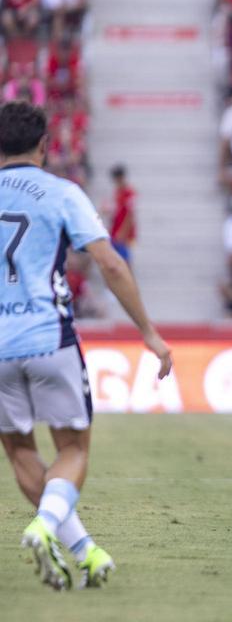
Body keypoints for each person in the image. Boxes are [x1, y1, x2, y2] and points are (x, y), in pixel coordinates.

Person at [0, 101, 172, 590]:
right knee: (73, 448)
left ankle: (85, 552)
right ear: (45, 146)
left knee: (19, 451)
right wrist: (148, 332)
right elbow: (110, 264)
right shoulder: (61, 192)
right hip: (48, 336)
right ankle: (45, 526)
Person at [108, 164, 136, 262]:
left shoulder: (129, 193)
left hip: (123, 233)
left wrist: (123, 232)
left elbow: (130, 215)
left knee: (124, 261)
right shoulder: (117, 192)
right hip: (115, 231)